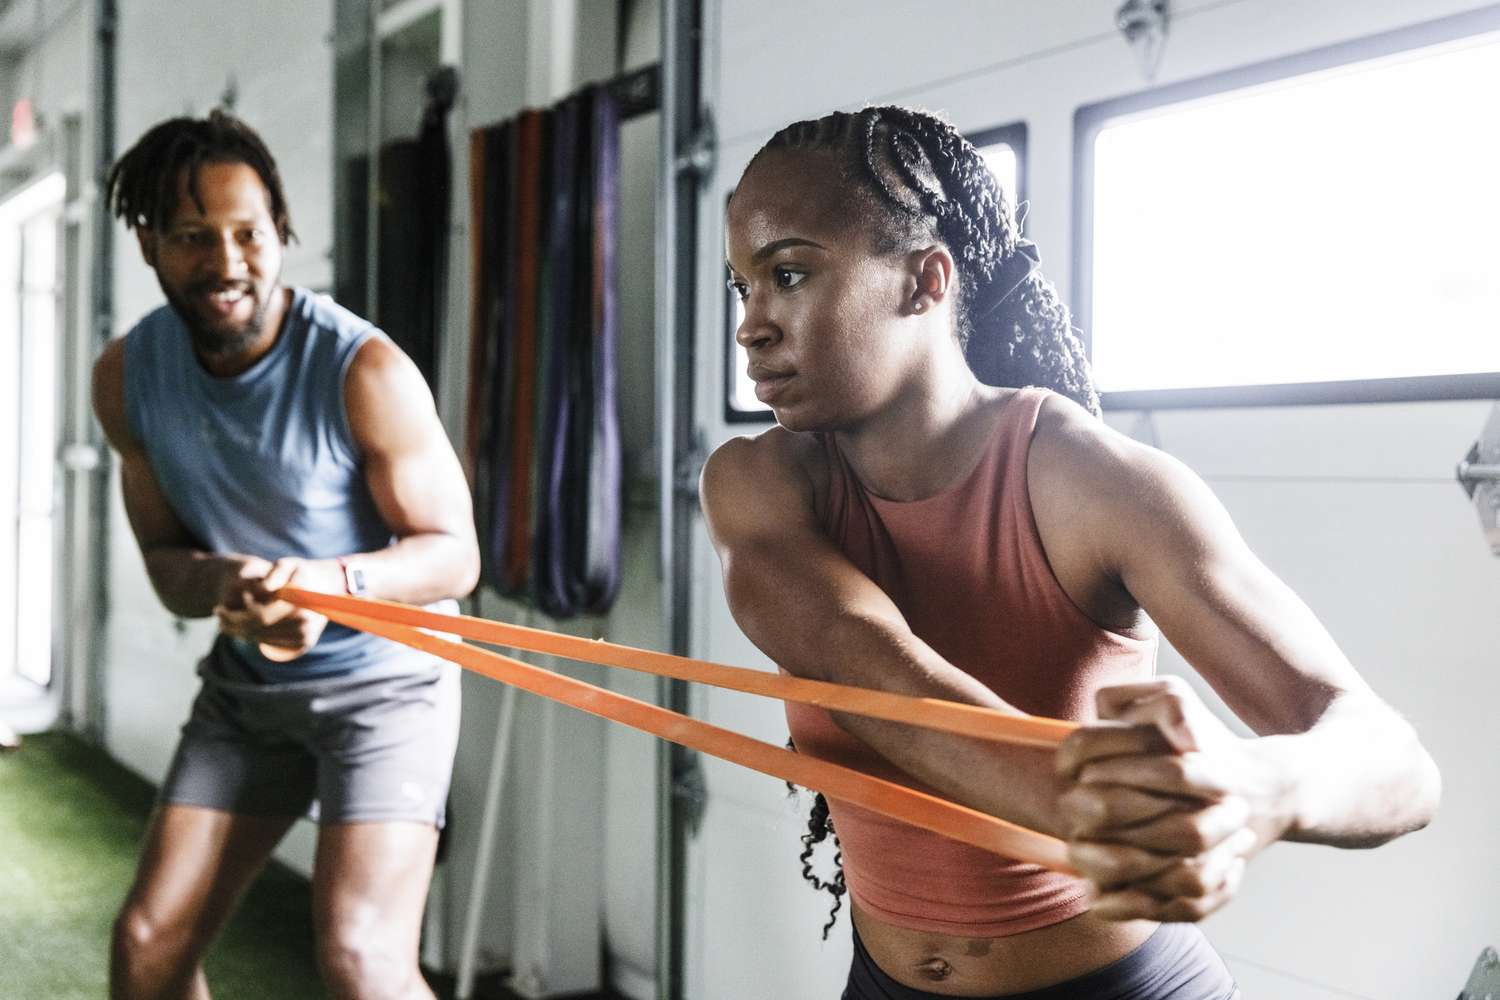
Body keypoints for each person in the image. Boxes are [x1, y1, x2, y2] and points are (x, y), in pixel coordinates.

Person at [702, 106, 1441, 999]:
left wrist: (1255, 788)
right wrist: (1089, 802)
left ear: (925, 281)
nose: (751, 326)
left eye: (788, 275)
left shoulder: (1092, 484)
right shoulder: (760, 483)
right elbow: (863, 666)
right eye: (743, 288)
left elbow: (1397, 765)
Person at [91, 110, 479, 1000]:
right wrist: (226, 582)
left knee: (360, 960)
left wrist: (321, 585)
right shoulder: (126, 379)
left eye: (249, 234)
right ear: (149, 245)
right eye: (193, 237)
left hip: (388, 688)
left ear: (280, 231)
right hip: (250, 693)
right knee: (148, 948)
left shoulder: (363, 370)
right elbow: (167, 564)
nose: (227, 262)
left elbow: (454, 557)